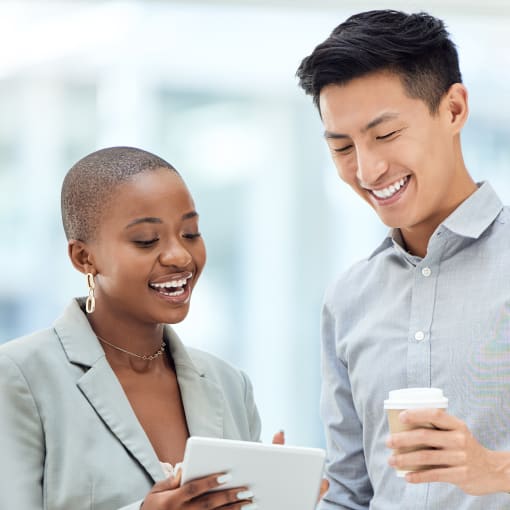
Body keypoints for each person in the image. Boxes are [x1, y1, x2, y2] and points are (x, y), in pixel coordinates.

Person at [296, 9, 510, 509]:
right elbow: (349, 493)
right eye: (342, 147)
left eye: (386, 135)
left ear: (453, 109)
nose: (367, 170)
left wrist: (494, 469)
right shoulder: (349, 298)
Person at [0, 146, 266, 509]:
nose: (180, 256)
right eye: (146, 240)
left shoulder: (230, 384)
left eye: (190, 233)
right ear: (84, 257)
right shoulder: (19, 376)